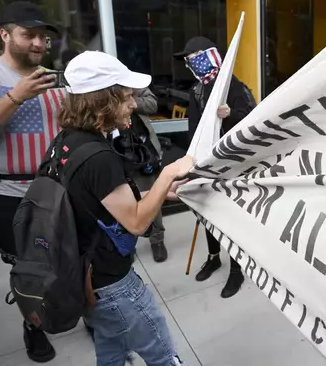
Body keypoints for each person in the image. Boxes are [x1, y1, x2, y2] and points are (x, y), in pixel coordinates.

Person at [58, 50, 192, 365]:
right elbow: (135, 223)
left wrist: (161, 193)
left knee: (112, 355)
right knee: (163, 356)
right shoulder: (98, 156)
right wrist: (169, 173)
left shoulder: (68, 140)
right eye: (126, 97)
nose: (134, 104)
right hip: (114, 285)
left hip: (88, 279)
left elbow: (103, 202)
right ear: (101, 100)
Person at [0, 1, 62, 363]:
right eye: (28, 35)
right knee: (28, 271)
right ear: (4, 34)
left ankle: (73, 309)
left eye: (43, 37)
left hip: (56, 189)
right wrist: (15, 96)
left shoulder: (54, 78)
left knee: (72, 257)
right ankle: (34, 326)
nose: (38, 43)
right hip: (10, 195)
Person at [173, 36, 255, 298]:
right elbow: (194, 130)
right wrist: (191, 161)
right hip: (204, 165)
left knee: (230, 219)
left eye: (192, 56)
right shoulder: (196, 91)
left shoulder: (233, 86)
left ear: (207, 55)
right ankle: (213, 257)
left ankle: (236, 268)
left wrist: (230, 115)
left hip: (232, 166)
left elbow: (252, 123)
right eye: (187, 60)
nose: (189, 63)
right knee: (206, 215)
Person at [131, 87, 169, 263]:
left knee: (152, 198)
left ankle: (157, 241)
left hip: (143, 153)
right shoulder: (97, 88)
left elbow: (152, 104)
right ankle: (127, 244)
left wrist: (131, 101)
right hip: (113, 152)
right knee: (122, 202)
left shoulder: (131, 81)